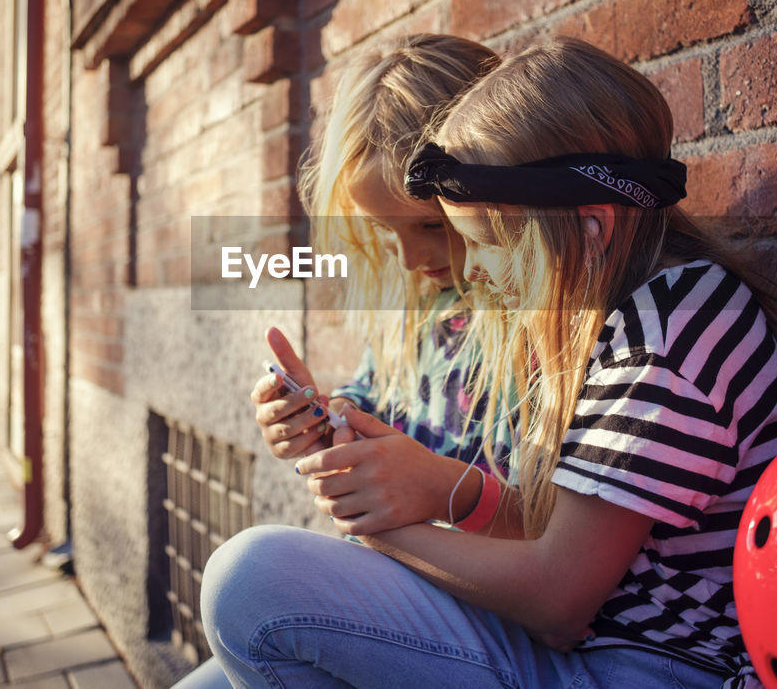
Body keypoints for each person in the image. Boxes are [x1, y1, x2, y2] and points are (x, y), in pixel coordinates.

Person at [198, 36, 777, 688]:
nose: (479, 275)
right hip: (592, 644)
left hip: (651, 666)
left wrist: (382, 519)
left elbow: (558, 600)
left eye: (484, 242)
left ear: (590, 227)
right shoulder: (630, 312)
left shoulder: (666, 336)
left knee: (252, 578)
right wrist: (365, 445)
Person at [172, 35, 519, 688]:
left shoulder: (536, 316)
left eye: (427, 225)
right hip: (413, 586)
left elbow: (556, 540)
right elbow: (373, 400)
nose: (412, 259)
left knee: (249, 583)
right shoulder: (425, 306)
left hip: (485, 617)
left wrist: (431, 485)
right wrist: (320, 415)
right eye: (388, 233)